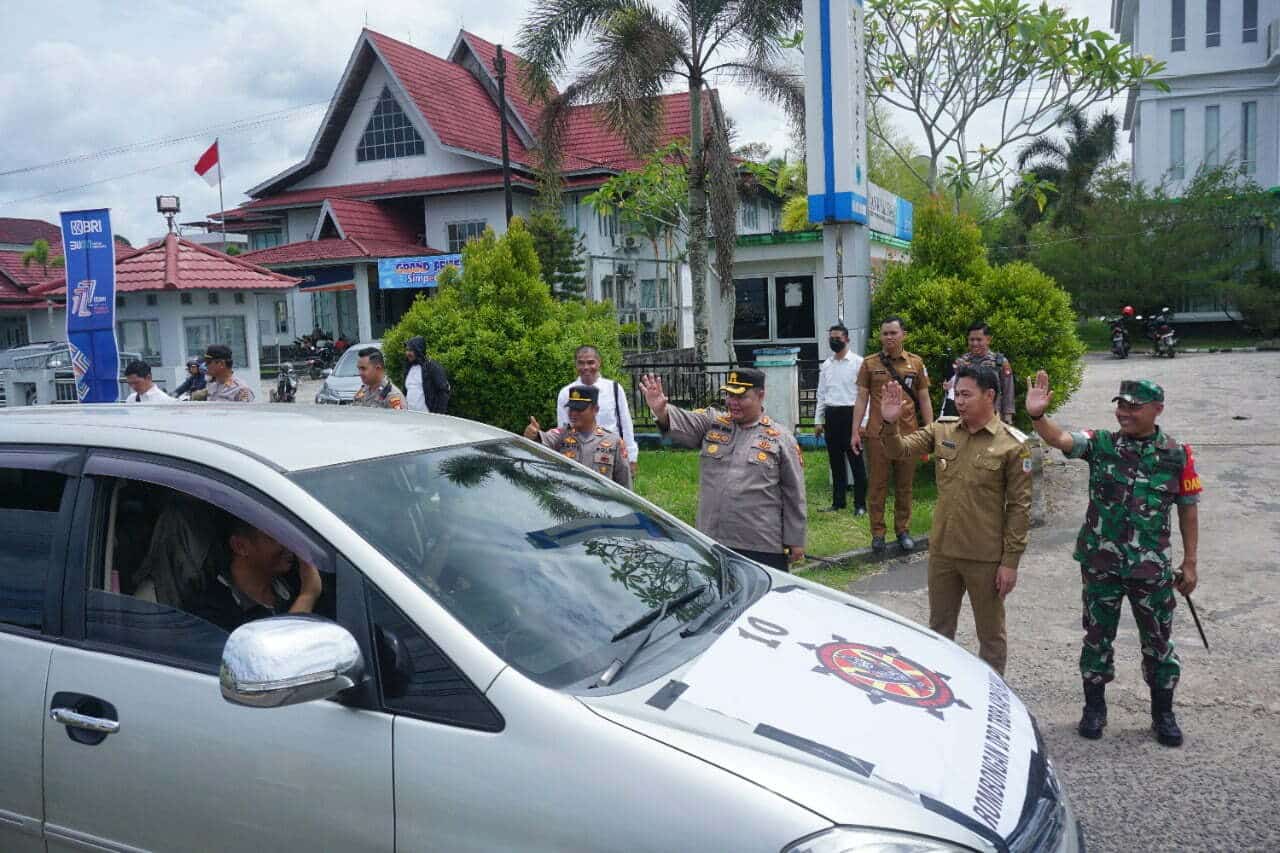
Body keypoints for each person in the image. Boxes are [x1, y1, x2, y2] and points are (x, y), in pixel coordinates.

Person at [1026, 373, 1201, 747]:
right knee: (1096, 639)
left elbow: (1188, 510)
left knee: (1158, 643)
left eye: (1133, 407)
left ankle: (1163, 714)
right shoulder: (1101, 444)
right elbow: (1061, 440)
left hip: (1150, 569)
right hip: (1101, 565)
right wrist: (1039, 418)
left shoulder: (1177, 454)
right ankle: (1094, 709)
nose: (1124, 412)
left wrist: (1190, 562)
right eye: (1120, 405)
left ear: (1157, 410)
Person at [877, 367, 1032, 674]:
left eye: (966, 394)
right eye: (956, 394)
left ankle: (992, 693)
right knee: (939, 629)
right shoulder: (943, 430)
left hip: (984, 557)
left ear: (989, 395)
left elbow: (1019, 508)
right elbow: (900, 450)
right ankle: (940, 688)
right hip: (944, 552)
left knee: (990, 634)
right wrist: (890, 422)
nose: (959, 402)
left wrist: (1010, 562)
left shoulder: (1012, 444)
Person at [640, 368, 806, 571]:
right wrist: (660, 411)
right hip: (713, 540)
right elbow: (682, 422)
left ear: (761, 395)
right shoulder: (713, 423)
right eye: (729, 395)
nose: (733, 403)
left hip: (761, 544)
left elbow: (794, 493)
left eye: (741, 397)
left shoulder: (780, 438)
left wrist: (795, 540)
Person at [851, 317, 933, 553]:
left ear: (903, 335)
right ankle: (877, 534)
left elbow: (925, 398)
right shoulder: (869, 364)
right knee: (877, 485)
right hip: (877, 435)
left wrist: (930, 430)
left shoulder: (915, 363)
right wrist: (855, 430)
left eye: (893, 333)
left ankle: (903, 530)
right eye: (885, 333)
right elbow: (861, 398)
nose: (889, 337)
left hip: (909, 436)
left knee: (905, 486)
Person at [187, 518, 323, 632]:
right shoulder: (211, 610)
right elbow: (274, 659)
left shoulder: (293, 583)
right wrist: (307, 596)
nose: (288, 545)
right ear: (240, 546)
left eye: (288, 536)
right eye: (276, 537)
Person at [525, 384, 631, 488]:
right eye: (571, 408)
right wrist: (533, 435)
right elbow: (540, 441)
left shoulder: (614, 442)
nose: (573, 414)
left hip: (600, 503)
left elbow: (625, 486)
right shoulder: (561, 436)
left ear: (595, 409)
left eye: (579, 409)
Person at [556, 345, 639, 478]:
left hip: (612, 454)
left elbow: (626, 425)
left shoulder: (614, 389)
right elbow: (563, 430)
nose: (586, 367)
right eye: (581, 363)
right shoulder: (566, 393)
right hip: (579, 455)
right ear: (576, 365)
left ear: (599, 363)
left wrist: (632, 458)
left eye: (590, 362)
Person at [815, 323, 868, 515]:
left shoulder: (859, 363)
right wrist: (818, 420)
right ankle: (838, 502)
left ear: (847, 339)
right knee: (835, 462)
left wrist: (862, 423)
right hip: (832, 415)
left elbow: (865, 396)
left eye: (837, 338)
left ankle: (860, 505)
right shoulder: (827, 365)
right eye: (831, 338)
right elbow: (821, 394)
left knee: (856, 462)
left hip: (852, 414)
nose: (834, 341)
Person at [943, 322, 1016, 423]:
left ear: (988, 340)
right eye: (972, 340)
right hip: (966, 418)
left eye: (979, 340)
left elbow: (1008, 392)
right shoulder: (961, 363)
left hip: (992, 418)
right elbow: (954, 392)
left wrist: (1008, 417)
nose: (975, 343)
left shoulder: (1000, 362)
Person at [403, 336, 451, 413]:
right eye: (407, 350)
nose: (407, 353)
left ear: (418, 350)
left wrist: (438, 415)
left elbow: (444, 391)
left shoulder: (432, 367)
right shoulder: (408, 368)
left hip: (428, 420)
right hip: (410, 417)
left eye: (411, 350)